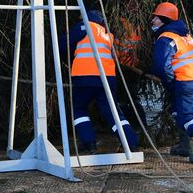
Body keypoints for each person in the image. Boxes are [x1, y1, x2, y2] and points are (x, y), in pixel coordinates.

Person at [59, 10, 140, 154]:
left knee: (79, 109)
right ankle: (131, 143)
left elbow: (63, 43)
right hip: (107, 78)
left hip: (85, 76)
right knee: (112, 112)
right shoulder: (107, 34)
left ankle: (89, 144)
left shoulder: (85, 26)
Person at [150, 2, 193, 164]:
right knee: (178, 111)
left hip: (186, 80)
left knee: (187, 116)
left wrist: (170, 83)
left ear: (164, 20)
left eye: (156, 18)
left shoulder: (166, 38)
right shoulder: (183, 36)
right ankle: (185, 147)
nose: (152, 21)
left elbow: (161, 67)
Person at [116, 16, 149, 129]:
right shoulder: (138, 27)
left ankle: (131, 126)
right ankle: (139, 125)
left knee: (125, 100)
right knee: (131, 98)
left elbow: (117, 53)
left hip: (125, 69)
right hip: (133, 68)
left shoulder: (120, 29)